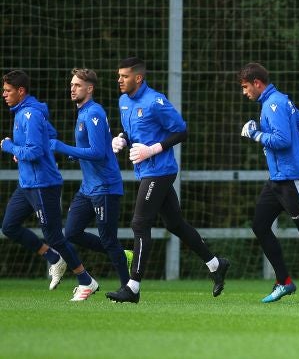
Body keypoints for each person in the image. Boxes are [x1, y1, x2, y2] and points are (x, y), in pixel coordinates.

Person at [105, 57, 230, 303]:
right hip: (145, 171)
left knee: (140, 224)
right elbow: (133, 134)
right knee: (175, 224)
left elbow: (181, 130)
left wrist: (153, 150)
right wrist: (120, 139)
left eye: (124, 76)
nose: (119, 80)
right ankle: (216, 264)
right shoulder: (123, 102)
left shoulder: (155, 101)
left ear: (138, 78)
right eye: (119, 75)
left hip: (160, 170)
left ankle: (132, 288)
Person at [238, 63, 299, 303]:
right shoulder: (278, 100)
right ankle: (283, 281)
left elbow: (282, 140)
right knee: (260, 226)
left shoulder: (274, 104)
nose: (244, 93)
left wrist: (256, 134)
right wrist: (291, 149)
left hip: (293, 179)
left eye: (245, 87)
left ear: (257, 83)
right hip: (277, 179)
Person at [1, 70, 99, 301]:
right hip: (28, 184)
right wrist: (21, 150)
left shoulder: (30, 115)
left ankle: (86, 280)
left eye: (7, 91)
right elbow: (48, 137)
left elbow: (35, 151)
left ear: (20, 91)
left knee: (55, 235)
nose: (4, 95)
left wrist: (10, 147)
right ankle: (53, 258)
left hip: (43, 184)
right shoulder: (24, 112)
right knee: (9, 226)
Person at [49, 68, 132, 292]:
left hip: (105, 186)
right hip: (89, 187)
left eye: (77, 85)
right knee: (72, 232)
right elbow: (91, 148)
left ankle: (129, 288)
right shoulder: (83, 112)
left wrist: (61, 146)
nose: (72, 88)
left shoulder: (93, 112)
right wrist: (71, 152)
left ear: (90, 88)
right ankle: (123, 255)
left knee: (109, 240)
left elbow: (98, 152)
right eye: (72, 85)